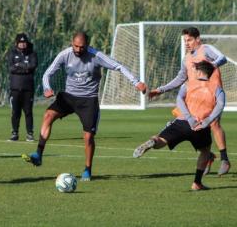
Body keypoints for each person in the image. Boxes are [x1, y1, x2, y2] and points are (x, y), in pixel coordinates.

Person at [22, 32, 147, 181]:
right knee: (48, 115)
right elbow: (47, 73)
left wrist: (136, 82)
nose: (78, 49)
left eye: (82, 47)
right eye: (75, 46)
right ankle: (38, 154)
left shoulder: (96, 56)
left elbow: (118, 66)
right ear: (71, 42)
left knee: (88, 137)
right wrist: (47, 88)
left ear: (87, 45)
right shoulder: (65, 55)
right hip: (69, 97)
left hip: (88, 100)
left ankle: (87, 169)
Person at [148, 27, 230, 176]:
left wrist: (211, 66)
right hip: (193, 98)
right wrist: (160, 90)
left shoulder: (206, 49)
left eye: (189, 40)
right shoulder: (186, 58)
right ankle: (208, 156)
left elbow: (222, 58)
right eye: (185, 40)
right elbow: (180, 78)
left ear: (197, 39)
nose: (187, 43)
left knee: (213, 123)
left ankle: (224, 159)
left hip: (211, 94)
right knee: (191, 127)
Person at [134, 61, 225, 190]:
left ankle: (153, 141)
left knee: (162, 140)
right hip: (201, 126)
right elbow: (220, 105)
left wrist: (188, 117)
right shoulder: (217, 88)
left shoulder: (188, 84)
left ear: (199, 71)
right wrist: (207, 121)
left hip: (182, 122)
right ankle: (197, 183)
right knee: (205, 151)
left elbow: (179, 100)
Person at [7, 33, 38, 141]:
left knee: (28, 112)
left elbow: (32, 66)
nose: (23, 44)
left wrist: (19, 65)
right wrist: (25, 67)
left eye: (24, 42)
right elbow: (11, 68)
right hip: (15, 88)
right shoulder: (12, 53)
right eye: (20, 43)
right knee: (15, 112)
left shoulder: (32, 53)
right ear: (16, 43)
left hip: (28, 89)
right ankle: (14, 133)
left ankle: (30, 133)